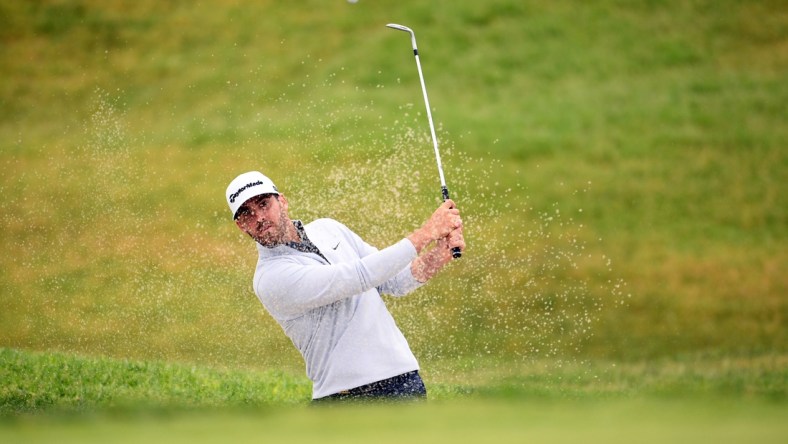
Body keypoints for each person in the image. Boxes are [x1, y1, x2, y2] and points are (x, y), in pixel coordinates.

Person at [225, 170, 464, 401]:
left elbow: (395, 281)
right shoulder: (270, 279)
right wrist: (428, 232)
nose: (259, 218)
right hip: (345, 397)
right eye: (246, 213)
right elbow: (357, 277)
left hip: (403, 382)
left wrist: (440, 253)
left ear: (282, 202)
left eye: (264, 204)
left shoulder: (329, 229)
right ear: (240, 226)